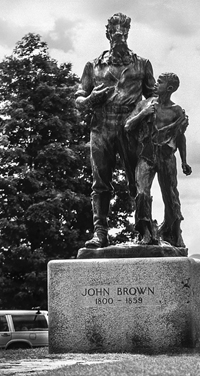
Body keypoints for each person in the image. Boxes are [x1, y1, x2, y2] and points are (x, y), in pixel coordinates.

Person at [75, 13, 155, 248]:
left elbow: (154, 96)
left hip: (131, 126)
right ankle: (100, 232)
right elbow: (78, 98)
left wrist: (142, 114)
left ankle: (144, 230)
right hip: (101, 126)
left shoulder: (142, 63)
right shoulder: (93, 65)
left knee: (137, 184)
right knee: (100, 182)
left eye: (124, 32)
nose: (119, 36)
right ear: (108, 34)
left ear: (128, 34)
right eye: (115, 32)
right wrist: (91, 98)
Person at [124, 73, 190, 247]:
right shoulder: (144, 104)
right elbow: (127, 126)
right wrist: (143, 114)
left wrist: (184, 161)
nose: (155, 84)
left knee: (171, 197)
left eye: (159, 82)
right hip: (147, 154)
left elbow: (180, 137)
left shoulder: (176, 111)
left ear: (169, 88)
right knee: (142, 193)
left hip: (166, 156)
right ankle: (145, 232)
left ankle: (173, 233)